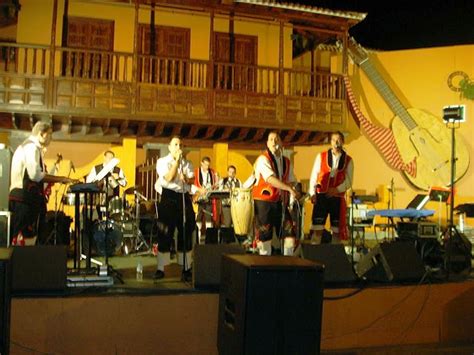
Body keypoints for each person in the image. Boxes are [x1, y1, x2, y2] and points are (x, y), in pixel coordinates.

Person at [9, 121, 75, 246]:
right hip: (24, 199)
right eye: (49, 134)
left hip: (24, 198)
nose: (51, 138)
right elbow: (35, 175)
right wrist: (61, 179)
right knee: (23, 238)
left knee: (27, 238)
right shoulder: (31, 147)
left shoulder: (30, 147)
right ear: (41, 134)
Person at [154, 136, 195, 280]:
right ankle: (161, 268)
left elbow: (192, 180)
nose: (179, 147)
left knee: (186, 229)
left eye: (181, 145)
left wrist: (187, 178)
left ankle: (186, 267)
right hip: (168, 196)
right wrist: (177, 162)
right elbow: (169, 178)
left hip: (183, 196)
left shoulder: (188, 163)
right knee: (165, 231)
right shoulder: (162, 162)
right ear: (170, 147)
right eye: (176, 144)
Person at [252, 131, 299, 256]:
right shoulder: (263, 159)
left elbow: (291, 180)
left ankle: (288, 264)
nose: (274, 142)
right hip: (264, 202)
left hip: (279, 202)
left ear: (281, 143)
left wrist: (295, 189)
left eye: (277, 139)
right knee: (265, 238)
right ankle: (263, 267)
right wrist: (288, 189)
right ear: (267, 143)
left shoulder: (286, 161)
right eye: (271, 139)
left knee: (289, 235)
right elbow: (270, 179)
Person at [309, 131, 354, 243]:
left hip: (337, 198)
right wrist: (312, 193)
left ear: (343, 142)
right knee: (317, 229)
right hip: (321, 196)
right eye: (334, 140)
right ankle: (313, 255)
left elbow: (349, 181)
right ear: (330, 142)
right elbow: (314, 175)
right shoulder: (321, 156)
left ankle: (334, 256)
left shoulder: (349, 160)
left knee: (336, 231)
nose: (336, 142)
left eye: (338, 140)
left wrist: (336, 190)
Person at [86, 150, 127, 219]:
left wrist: (118, 178)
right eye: (109, 157)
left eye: (112, 158)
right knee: (98, 219)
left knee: (112, 219)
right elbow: (88, 181)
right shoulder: (96, 168)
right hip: (99, 200)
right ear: (104, 157)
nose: (110, 160)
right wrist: (97, 181)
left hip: (113, 201)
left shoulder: (118, 170)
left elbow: (124, 183)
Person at [193, 156, 219, 243]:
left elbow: (215, 184)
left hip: (208, 198)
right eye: (205, 165)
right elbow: (194, 184)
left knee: (209, 218)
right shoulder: (196, 172)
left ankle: (209, 239)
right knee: (198, 218)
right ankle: (197, 239)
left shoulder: (212, 172)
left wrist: (216, 182)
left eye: (208, 165)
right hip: (199, 198)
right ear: (201, 163)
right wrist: (200, 190)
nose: (207, 167)